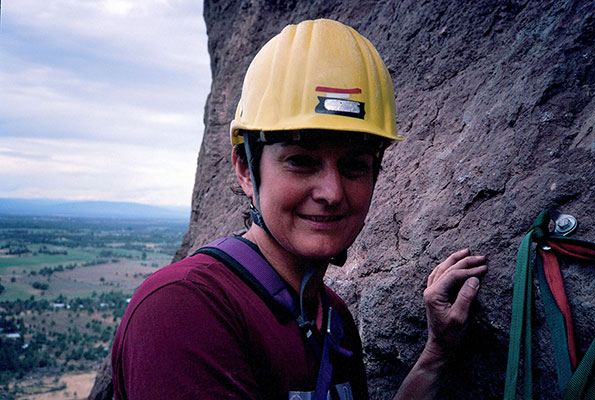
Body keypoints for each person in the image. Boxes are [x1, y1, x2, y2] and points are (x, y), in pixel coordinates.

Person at [111, 19, 487, 400]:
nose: (332, 192)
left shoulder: (332, 319)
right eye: (301, 160)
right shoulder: (184, 310)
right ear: (245, 168)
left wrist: (436, 354)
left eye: (355, 164)